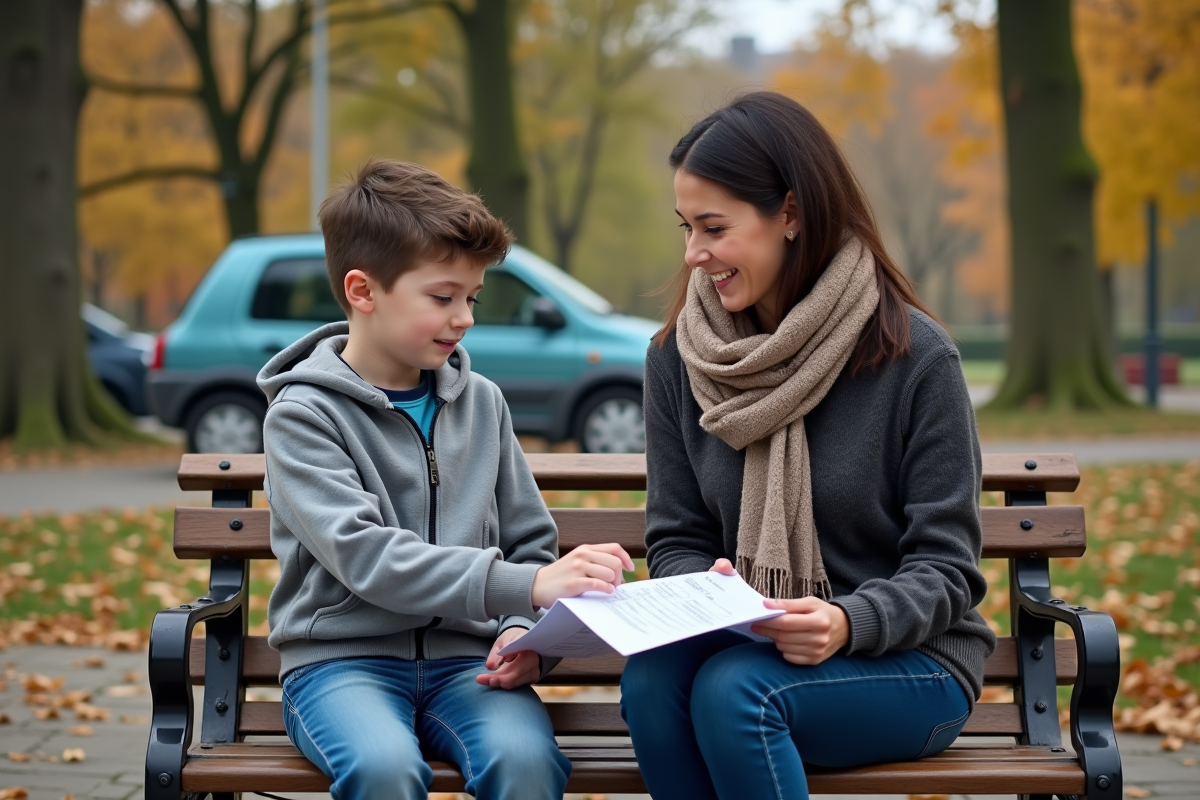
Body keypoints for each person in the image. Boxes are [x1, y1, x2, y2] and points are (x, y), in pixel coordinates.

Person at [619, 92, 997, 800]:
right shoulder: (678, 359)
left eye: (713, 228)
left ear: (789, 213)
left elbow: (947, 570)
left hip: (909, 661)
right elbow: (676, 536)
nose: (693, 254)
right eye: (686, 228)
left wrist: (847, 622)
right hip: (747, 643)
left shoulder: (917, 359)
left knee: (738, 693)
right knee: (652, 681)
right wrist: (711, 597)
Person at [257, 159, 634, 800]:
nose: (464, 318)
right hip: (341, 665)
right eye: (443, 297)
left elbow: (528, 539)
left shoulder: (481, 402)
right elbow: (367, 557)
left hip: (470, 665)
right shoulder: (303, 416)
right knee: (383, 769)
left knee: (525, 763)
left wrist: (523, 632)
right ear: (362, 290)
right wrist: (527, 585)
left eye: (471, 298)